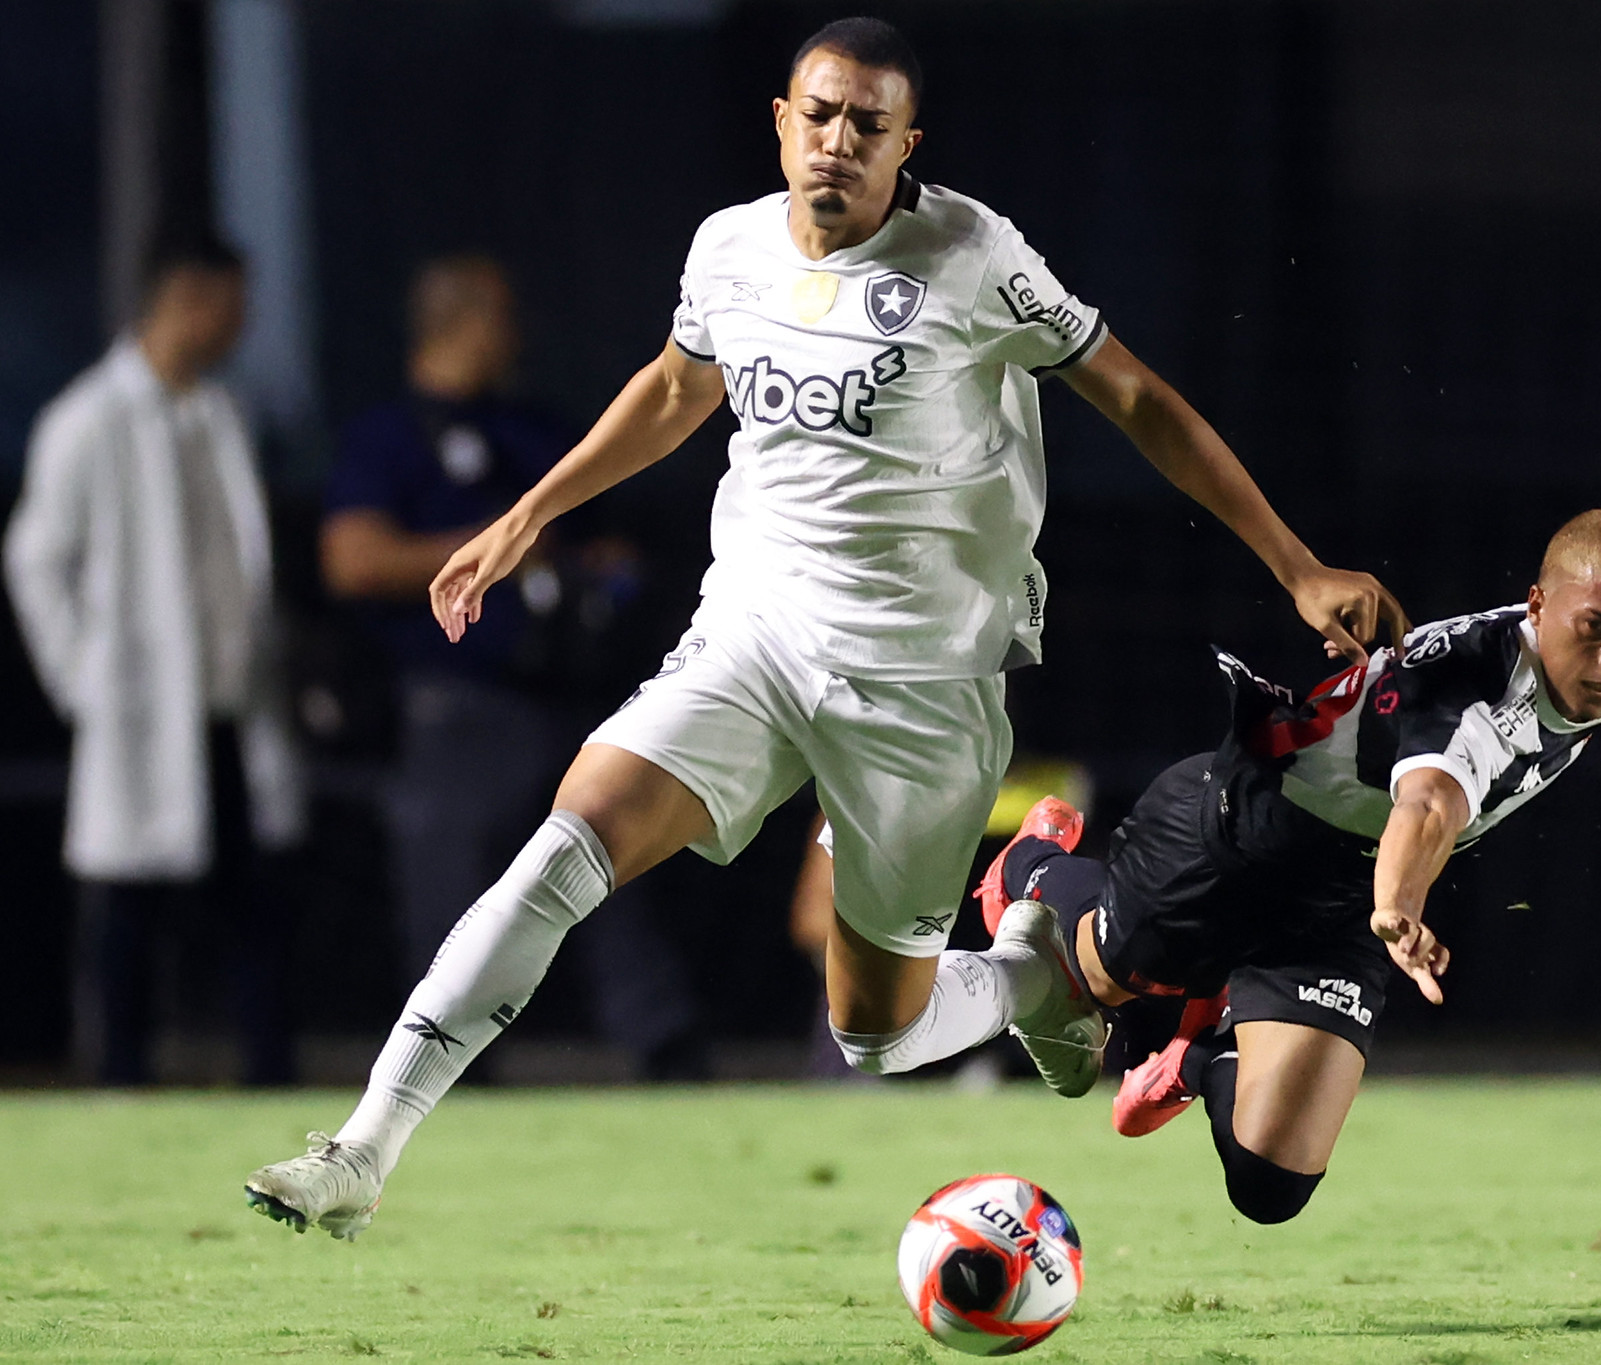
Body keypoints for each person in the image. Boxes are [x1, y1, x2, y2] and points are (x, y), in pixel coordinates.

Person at [244, 17, 1404, 1238]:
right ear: (782, 119)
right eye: (819, 115)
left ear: (908, 144)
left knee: (878, 1033)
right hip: (752, 636)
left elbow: (1137, 398)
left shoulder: (972, 255)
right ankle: (362, 1149)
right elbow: (677, 386)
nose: (837, 143)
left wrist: (1292, 562)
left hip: (923, 685)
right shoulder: (728, 248)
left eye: (867, 125)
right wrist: (529, 513)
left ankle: (1032, 974)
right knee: (562, 850)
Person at [972, 511, 1601, 1226]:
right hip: (1241, 835)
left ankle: (1199, 1048)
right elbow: (1428, 805)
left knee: (1271, 1183)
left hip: (1347, 896)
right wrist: (1398, 908)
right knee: (1079, 991)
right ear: (1539, 605)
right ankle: (1039, 868)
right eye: (1600, 632)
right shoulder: (1472, 690)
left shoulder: (1599, 660)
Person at [323, 255, 704, 1080]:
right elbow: (351, 559)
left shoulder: (531, 427)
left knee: (608, 858)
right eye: (502, 316)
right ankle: (442, 1071)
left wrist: (591, 568)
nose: (516, 334)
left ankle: (664, 1049)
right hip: (453, 703)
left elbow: (594, 538)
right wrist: (485, 551)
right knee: (453, 891)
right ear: (461, 322)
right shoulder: (391, 437)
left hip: (564, 694)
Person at [5, 233, 306, 1085]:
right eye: (233, 306)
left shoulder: (220, 413)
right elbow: (35, 558)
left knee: (254, 907)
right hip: (141, 705)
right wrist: (84, 678)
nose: (241, 327)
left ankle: (267, 1077)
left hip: (227, 700)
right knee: (127, 910)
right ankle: (122, 1077)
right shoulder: (88, 419)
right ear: (189, 301)